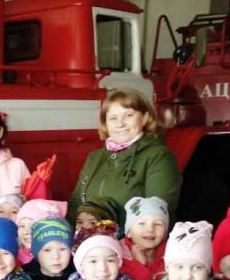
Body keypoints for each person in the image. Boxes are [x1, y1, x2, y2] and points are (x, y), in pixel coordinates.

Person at [69, 88, 181, 226]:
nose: (120, 123)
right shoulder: (94, 157)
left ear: (145, 118)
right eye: (113, 118)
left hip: (131, 244)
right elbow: (75, 204)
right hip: (90, 241)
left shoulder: (159, 157)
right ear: (106, 123)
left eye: (128, 115)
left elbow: (158, 215)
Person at [120, 196, 169, 280]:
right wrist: (138, 264)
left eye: (158, 224)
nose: (150, 229)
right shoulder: (118, 253)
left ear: (164, 234)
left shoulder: (172, 251)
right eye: (142, 223)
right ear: (129, 232)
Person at [15, 199, 67, 265]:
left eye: (33, 226)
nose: (26, 231)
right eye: (22, 226)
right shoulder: (15, 257)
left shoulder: (60, 257)